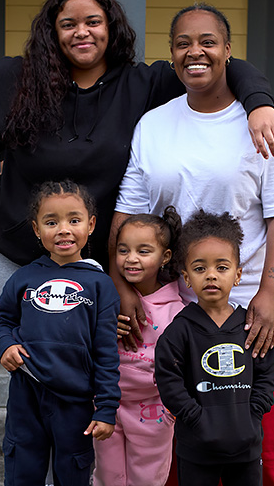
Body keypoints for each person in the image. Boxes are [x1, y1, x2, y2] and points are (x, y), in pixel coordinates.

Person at [0, 0, 274, 333]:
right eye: (68, 25)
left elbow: (221, 65)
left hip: (91, 262)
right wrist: (6, 144)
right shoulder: (22, 78)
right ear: (53, 33)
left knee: (79, 368)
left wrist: (258, 104)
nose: (82, 32)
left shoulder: (142, 85)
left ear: (111, 27)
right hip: (8, 249)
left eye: (93, 21)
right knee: (30, 363)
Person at [113, 4, 274, 486]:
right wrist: (123, 284)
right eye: (183, 43)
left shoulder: (268, 118)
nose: (195, 52)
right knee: (177, 414)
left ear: (228, 50)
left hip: (249, 304)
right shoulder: (154, 125)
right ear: (171, 54)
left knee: (267, 414)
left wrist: (268, 293)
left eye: (207, 41)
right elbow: (128, 213)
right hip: (173, 304)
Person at [0, 180, 119, 485]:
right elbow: (4, 323)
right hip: (27, 392)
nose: (63, 229)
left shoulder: (101, 285)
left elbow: (106, 351)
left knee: (72, 470)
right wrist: (5, 345)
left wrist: (106, 407)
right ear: (37, 229)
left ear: (90, 225)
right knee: (23, 464)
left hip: (74, 398)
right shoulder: (23, 279)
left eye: (74, 220)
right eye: (52, 222)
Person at [155, 210, 274, 486]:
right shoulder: (180, 331)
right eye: (200, 269)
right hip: (197, 449)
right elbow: (167, 379)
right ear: (186, 278)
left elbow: (267, 370)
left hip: (246, 447)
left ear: (237, 275)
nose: (211, 275)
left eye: (221, 268)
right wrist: (195, 418)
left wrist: (254, 411)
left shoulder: (250, 326)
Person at [93, 208, 186, 486]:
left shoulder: (177, 311)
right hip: (107, 405)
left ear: (165, 257)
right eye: (123, 250)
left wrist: (173, 407)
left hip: (153, 410)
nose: (131, 259)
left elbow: (181, 366)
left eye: (143, 251)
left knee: (147, 477)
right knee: (106, 475)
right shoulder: (106, 300)